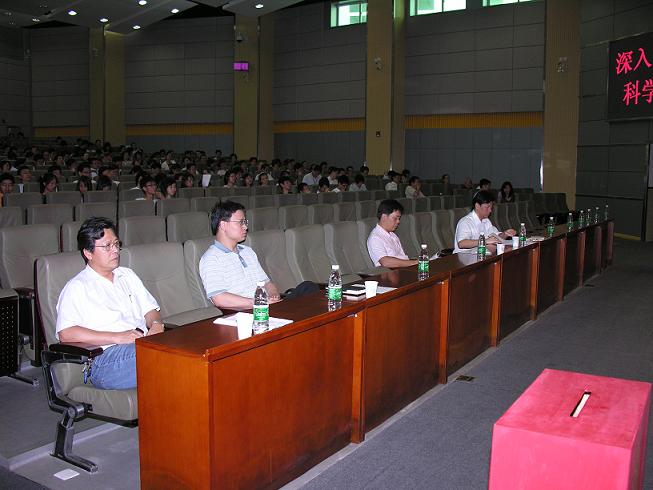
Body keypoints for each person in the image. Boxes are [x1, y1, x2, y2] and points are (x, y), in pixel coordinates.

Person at [55, 217, 164, 389]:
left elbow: (151, 310)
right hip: (105, 360)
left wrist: (156, 325)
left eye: (116, 244)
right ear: (88, 253)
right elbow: (66, 333)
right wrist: (117, 337)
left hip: (140, 345)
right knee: (170, 358)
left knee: (182, 350)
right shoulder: (77, 287)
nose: (115, 251)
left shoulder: (127, 275)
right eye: (107, 246)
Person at [199, 200, 282, 309]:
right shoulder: (211, 258)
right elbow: (219, 299)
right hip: (243, 312)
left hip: (264, 307)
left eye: (245, 222)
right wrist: (259, 302)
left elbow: (267, 284)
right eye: (240, 222)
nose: (245, 227)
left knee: (303, 290)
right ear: (223, 225)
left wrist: (273, 296)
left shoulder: (248, 252)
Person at [453, 190, 516, 254]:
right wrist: (485, 241)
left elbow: (496, 237)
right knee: (492, 247)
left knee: (508, 248)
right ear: (477, 206)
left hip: (479, 255)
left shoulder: (486, 221)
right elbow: (461, 243)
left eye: (491, 207)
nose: (490, 210)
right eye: (487, 207)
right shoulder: (465, 222)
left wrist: (505, 234)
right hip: (463, 256)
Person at [367, 199, 418, 268]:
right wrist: (416, 262)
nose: (398, 222)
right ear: (384, 217)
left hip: (404, 269)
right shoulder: (375, 238)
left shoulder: (393, 235)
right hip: (391, 272)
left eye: (399, 218)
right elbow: (385, 262)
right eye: (395, 218)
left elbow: (402, 257)